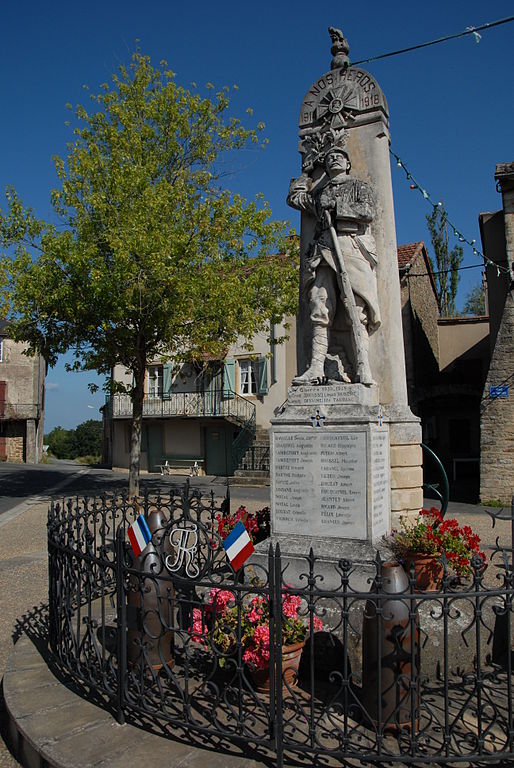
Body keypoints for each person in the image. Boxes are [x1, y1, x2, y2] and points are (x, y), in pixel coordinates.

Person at [287, 145, 381, 385]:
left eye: (339, 156)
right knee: (320, 305)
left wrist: (337, 209)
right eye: (330, 158)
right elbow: (295, 198)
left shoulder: (359, 186)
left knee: (355, 308)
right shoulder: (320, 193)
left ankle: (362, 367)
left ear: (348, 164)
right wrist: (307, 173)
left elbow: (367, 211)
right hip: (324, 250)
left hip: (351, 246)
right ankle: (316, 367)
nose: (334, 159)